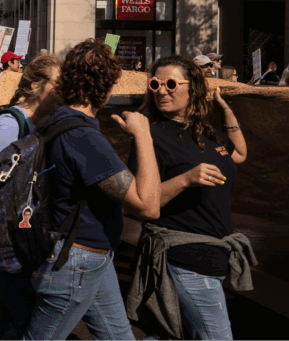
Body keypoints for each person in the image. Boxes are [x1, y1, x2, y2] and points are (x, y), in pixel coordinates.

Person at [24, 38, 160, 341]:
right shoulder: (84, 138)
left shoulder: (54, 122)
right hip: (77, 261)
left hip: (89, 256)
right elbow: (148, 205)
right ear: (108, 88)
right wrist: (143, 134)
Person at [125, 55, 253, 340]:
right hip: (184, 258)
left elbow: (240, 155)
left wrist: (226, 110)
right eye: (155, 84)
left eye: (171, 83)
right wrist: (186, 179)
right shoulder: (151, 135)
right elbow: (142, 204)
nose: (161, 90)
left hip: (213, 256)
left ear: (192, 88)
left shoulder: (206, 132)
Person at [0, 55, 63, 340]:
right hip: (2, 240)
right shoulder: (9, 124)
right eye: (58, 83)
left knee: (2, 314)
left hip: (20, 237)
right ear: (36, 86)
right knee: (26, 313)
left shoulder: (42, 122)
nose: (65, 88)